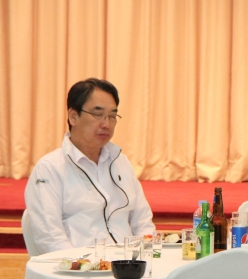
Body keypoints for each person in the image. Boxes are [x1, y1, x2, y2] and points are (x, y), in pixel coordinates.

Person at [24, 78, 155, 254]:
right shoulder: (50, 168)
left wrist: (145, 255)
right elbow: (50, 238)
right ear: (73, 116)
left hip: (129, 265)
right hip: (81, 266)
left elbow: (143, 221)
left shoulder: (120, 162)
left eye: (112, 116)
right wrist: (83, 265)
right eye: (97, 115)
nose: (106, 124)